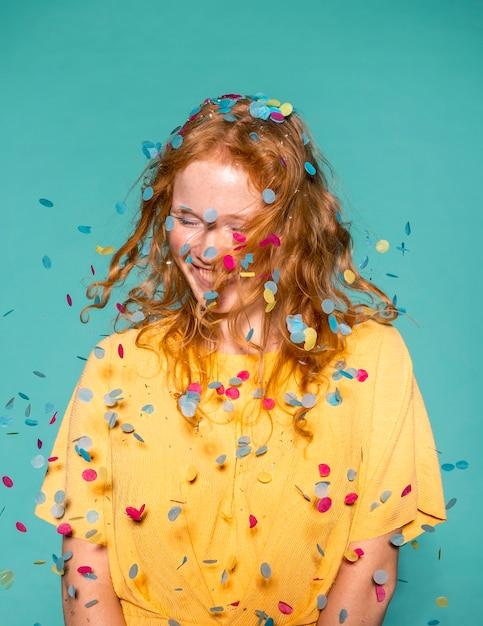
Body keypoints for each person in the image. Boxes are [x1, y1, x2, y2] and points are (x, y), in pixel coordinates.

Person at [36, 93, 446, 626]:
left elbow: (370, 569)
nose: (208, 251)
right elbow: (84, 572)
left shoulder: (372, 360)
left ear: (293, 228)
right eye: (189, 219)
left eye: (239, 228)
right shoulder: (117, 364)